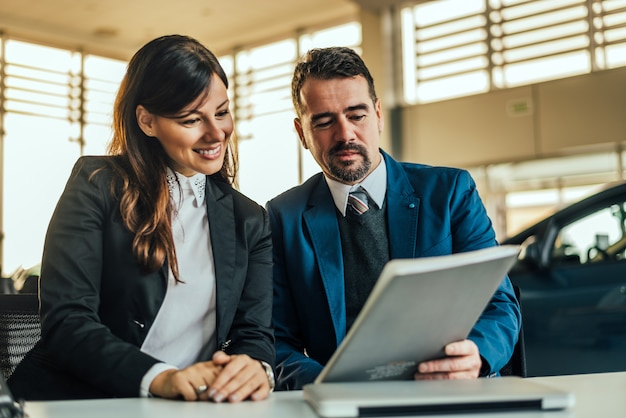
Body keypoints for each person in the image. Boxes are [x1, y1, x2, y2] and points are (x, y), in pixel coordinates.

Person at [8, 34, 275, 402]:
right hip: (72, 401)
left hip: (187, 408)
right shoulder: (96, 185)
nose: (216, 133)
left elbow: (254, 333)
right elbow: (68, 321)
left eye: (222, 112)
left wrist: (256, 368)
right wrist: (158, 378)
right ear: (147, 121)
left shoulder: (251, 220)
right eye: (191, 119)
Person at [266, 46, 521, 390]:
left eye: (357, 115)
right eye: (324, 122)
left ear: (378, 115)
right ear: (301, 133)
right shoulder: (283, 217)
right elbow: (277, 342)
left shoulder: (449, 192)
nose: (345, 135)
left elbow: (500, 305)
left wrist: (476, 353)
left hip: (444, 392)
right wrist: (329, 386)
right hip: (342, 403)